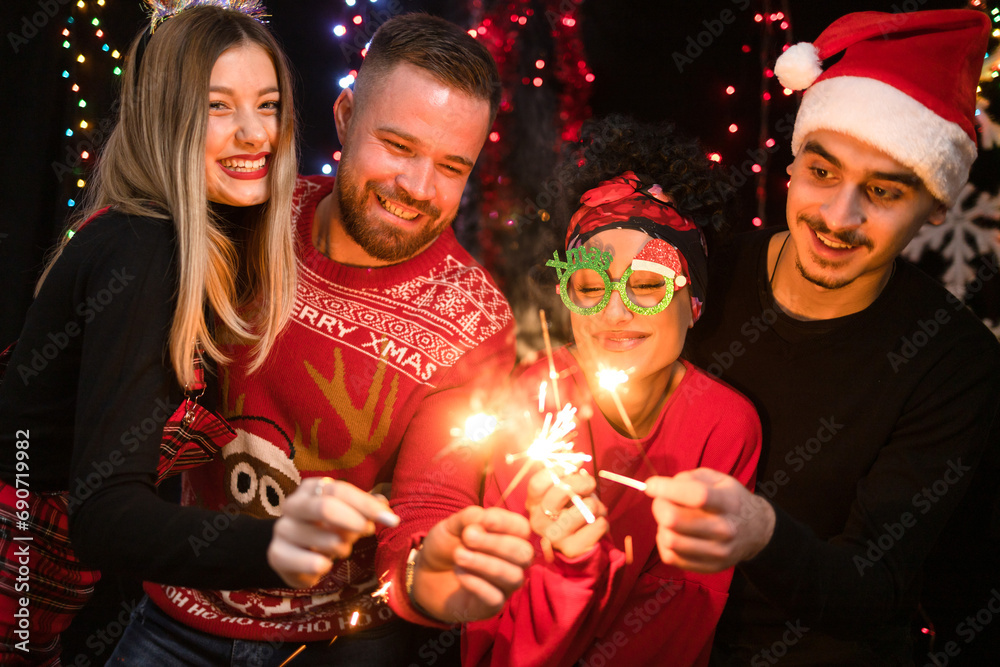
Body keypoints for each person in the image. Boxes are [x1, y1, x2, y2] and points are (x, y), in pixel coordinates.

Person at [121, 13, 534, 666]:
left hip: (327, 644)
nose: (418, 189)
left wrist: (434, 574)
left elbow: (431, 499)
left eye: (452, 166)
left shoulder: (474, 318)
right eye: (398, 146)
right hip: (176, 614)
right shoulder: (248, 220)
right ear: (345, 117)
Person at [645, 9, 1000, 664]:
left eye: (884, 192)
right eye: (823, 172)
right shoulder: (703, 274)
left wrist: (760, 533)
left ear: (935, 208)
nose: (839, 218)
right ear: (793, 165)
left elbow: (874, 587)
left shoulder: (955, 362)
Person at [0, 3, 330, 664]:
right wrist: (276, 547)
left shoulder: (182, 239)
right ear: (166, 117)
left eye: (267, 106)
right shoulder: (146, 250)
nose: (253, 134)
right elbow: (105, 516)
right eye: (217, 106)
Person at [460, 120, 761, 667]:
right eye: (591, 287)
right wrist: (565, 570)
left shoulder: (724, 426)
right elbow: (499, 629)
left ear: (693, 303)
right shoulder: (536, 403)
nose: (615, 312)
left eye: (646, 284)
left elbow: (681, 615)